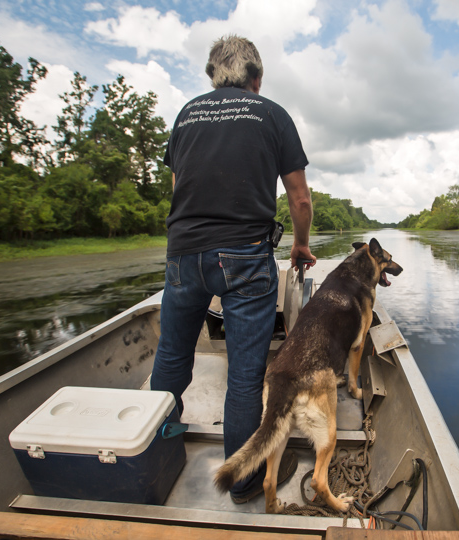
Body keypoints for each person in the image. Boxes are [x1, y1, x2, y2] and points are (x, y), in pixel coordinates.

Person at [150, 34, 316, 504]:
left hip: (183, 254)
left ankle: (158, 449)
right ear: (256, 78)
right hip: (244, 256)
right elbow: (299, 198)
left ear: (212, 75)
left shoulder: (186, 114)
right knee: (245, 376)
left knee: (170, 358)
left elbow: (182, 188)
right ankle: (243, 484)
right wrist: (301, 246)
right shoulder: (271, 113)